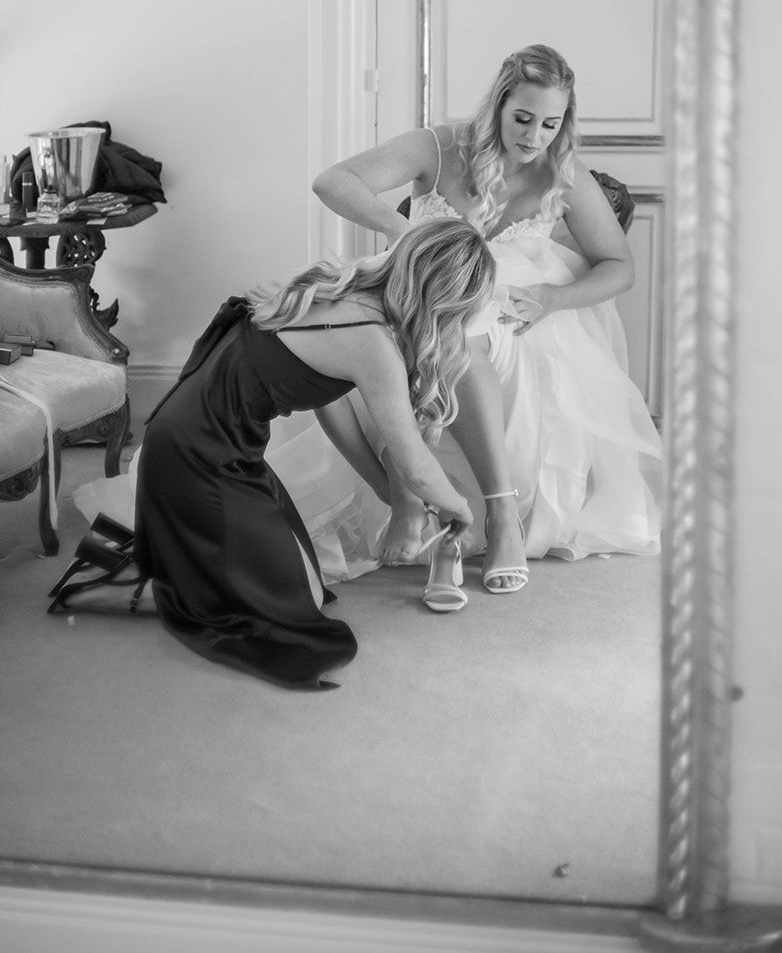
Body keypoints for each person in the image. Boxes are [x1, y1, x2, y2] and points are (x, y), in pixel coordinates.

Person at [49, 218, 495, 690]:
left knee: (305, 587)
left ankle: (170, 570)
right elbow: (416, 466)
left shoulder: (335, 289)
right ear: (443, 301)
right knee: (291, 616)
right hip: (201, 460)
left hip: (207, 445)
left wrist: (385, 490)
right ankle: (132, 585)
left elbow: (330, 409)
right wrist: (462, 508)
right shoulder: (372, 343)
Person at [303, 44, 662, 591]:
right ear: (498, 104)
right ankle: (397, 492)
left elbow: (619, 267)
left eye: (550, 124)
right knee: (319, 335)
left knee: (462, 331)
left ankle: (500, 514)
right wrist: (407, 233)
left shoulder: (562, 173)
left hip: (509, 301)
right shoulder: (439, 146)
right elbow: (332, 181)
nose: (534, 136)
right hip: (423, 283)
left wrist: (552, 298)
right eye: (523, 118)